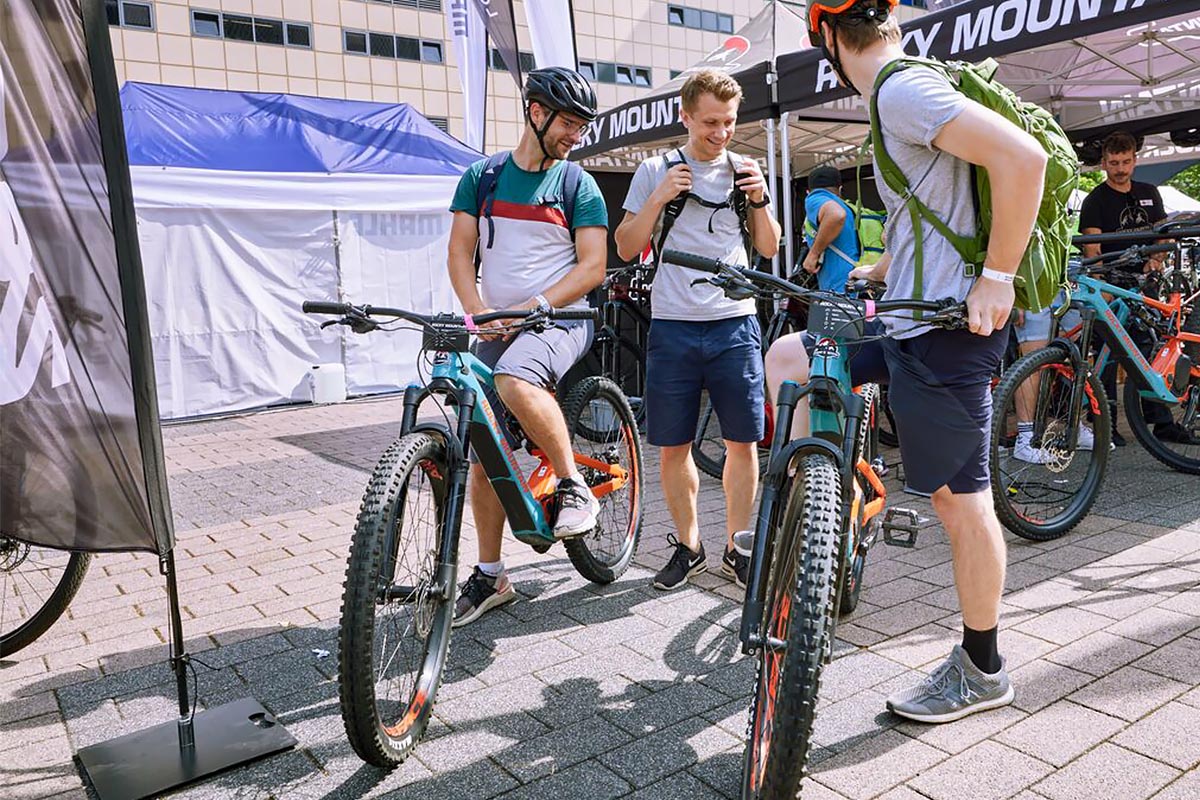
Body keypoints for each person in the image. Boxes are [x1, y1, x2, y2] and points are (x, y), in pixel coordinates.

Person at [792, 0, 1050, 722]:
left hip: (947, 329)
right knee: (796, 353)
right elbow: (936, 207)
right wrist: (885, 266)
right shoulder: (898, 95)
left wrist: (997, 275)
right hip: (909, 315)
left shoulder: (901, 90)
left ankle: (982, 667)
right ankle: (822, 514)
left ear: (828, 39)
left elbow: (1021, 160)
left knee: (961, 503)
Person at [445, 67, 609, 626]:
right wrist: (477, 313)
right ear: (535, 113)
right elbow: (460, 254)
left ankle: (572, 485)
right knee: (481, 438)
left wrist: (542, 303)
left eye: (582, 125)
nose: (576, 135)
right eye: (568, 122)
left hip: (563, 317)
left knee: (514, 379)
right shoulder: (482, 177)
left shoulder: (576, 184)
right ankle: (492, 575)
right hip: (499, 322)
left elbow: (592, 267)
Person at [613, 68, 781, 591]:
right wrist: (659, 196)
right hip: (674, 325)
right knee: (673, 446)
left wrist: (758, 200)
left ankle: (737, 545)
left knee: (743, 442)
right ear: (685, 116)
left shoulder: (746, 169)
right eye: (710, 122)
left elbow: (770, 247)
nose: (721, 132)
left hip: (735, 323)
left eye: (729, 122)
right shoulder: (654, 169)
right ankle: (690, 547)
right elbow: (624, 245)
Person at [1078, 131, 1191, 444]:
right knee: (1109, 354)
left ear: (1134, 160)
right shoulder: (1095, 200)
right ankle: (1105, 424)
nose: (1120, 168)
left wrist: (1157, 259)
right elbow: (1092, 249)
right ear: (1103, 164)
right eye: (1114, 162)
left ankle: (1161, 421)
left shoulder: (1149, 192)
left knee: (1152, 348)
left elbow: (1163, 232)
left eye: (1126, 161)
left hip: (1146, 285)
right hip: (1113, 285)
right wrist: (1101, 285)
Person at [802, 165, 861, 293]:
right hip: (856, 280)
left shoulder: (816, 198)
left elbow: (836, 214)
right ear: (840, 189)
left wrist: (813, 254)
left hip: (838, 286)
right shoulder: (849, 207)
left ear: (808, 191)